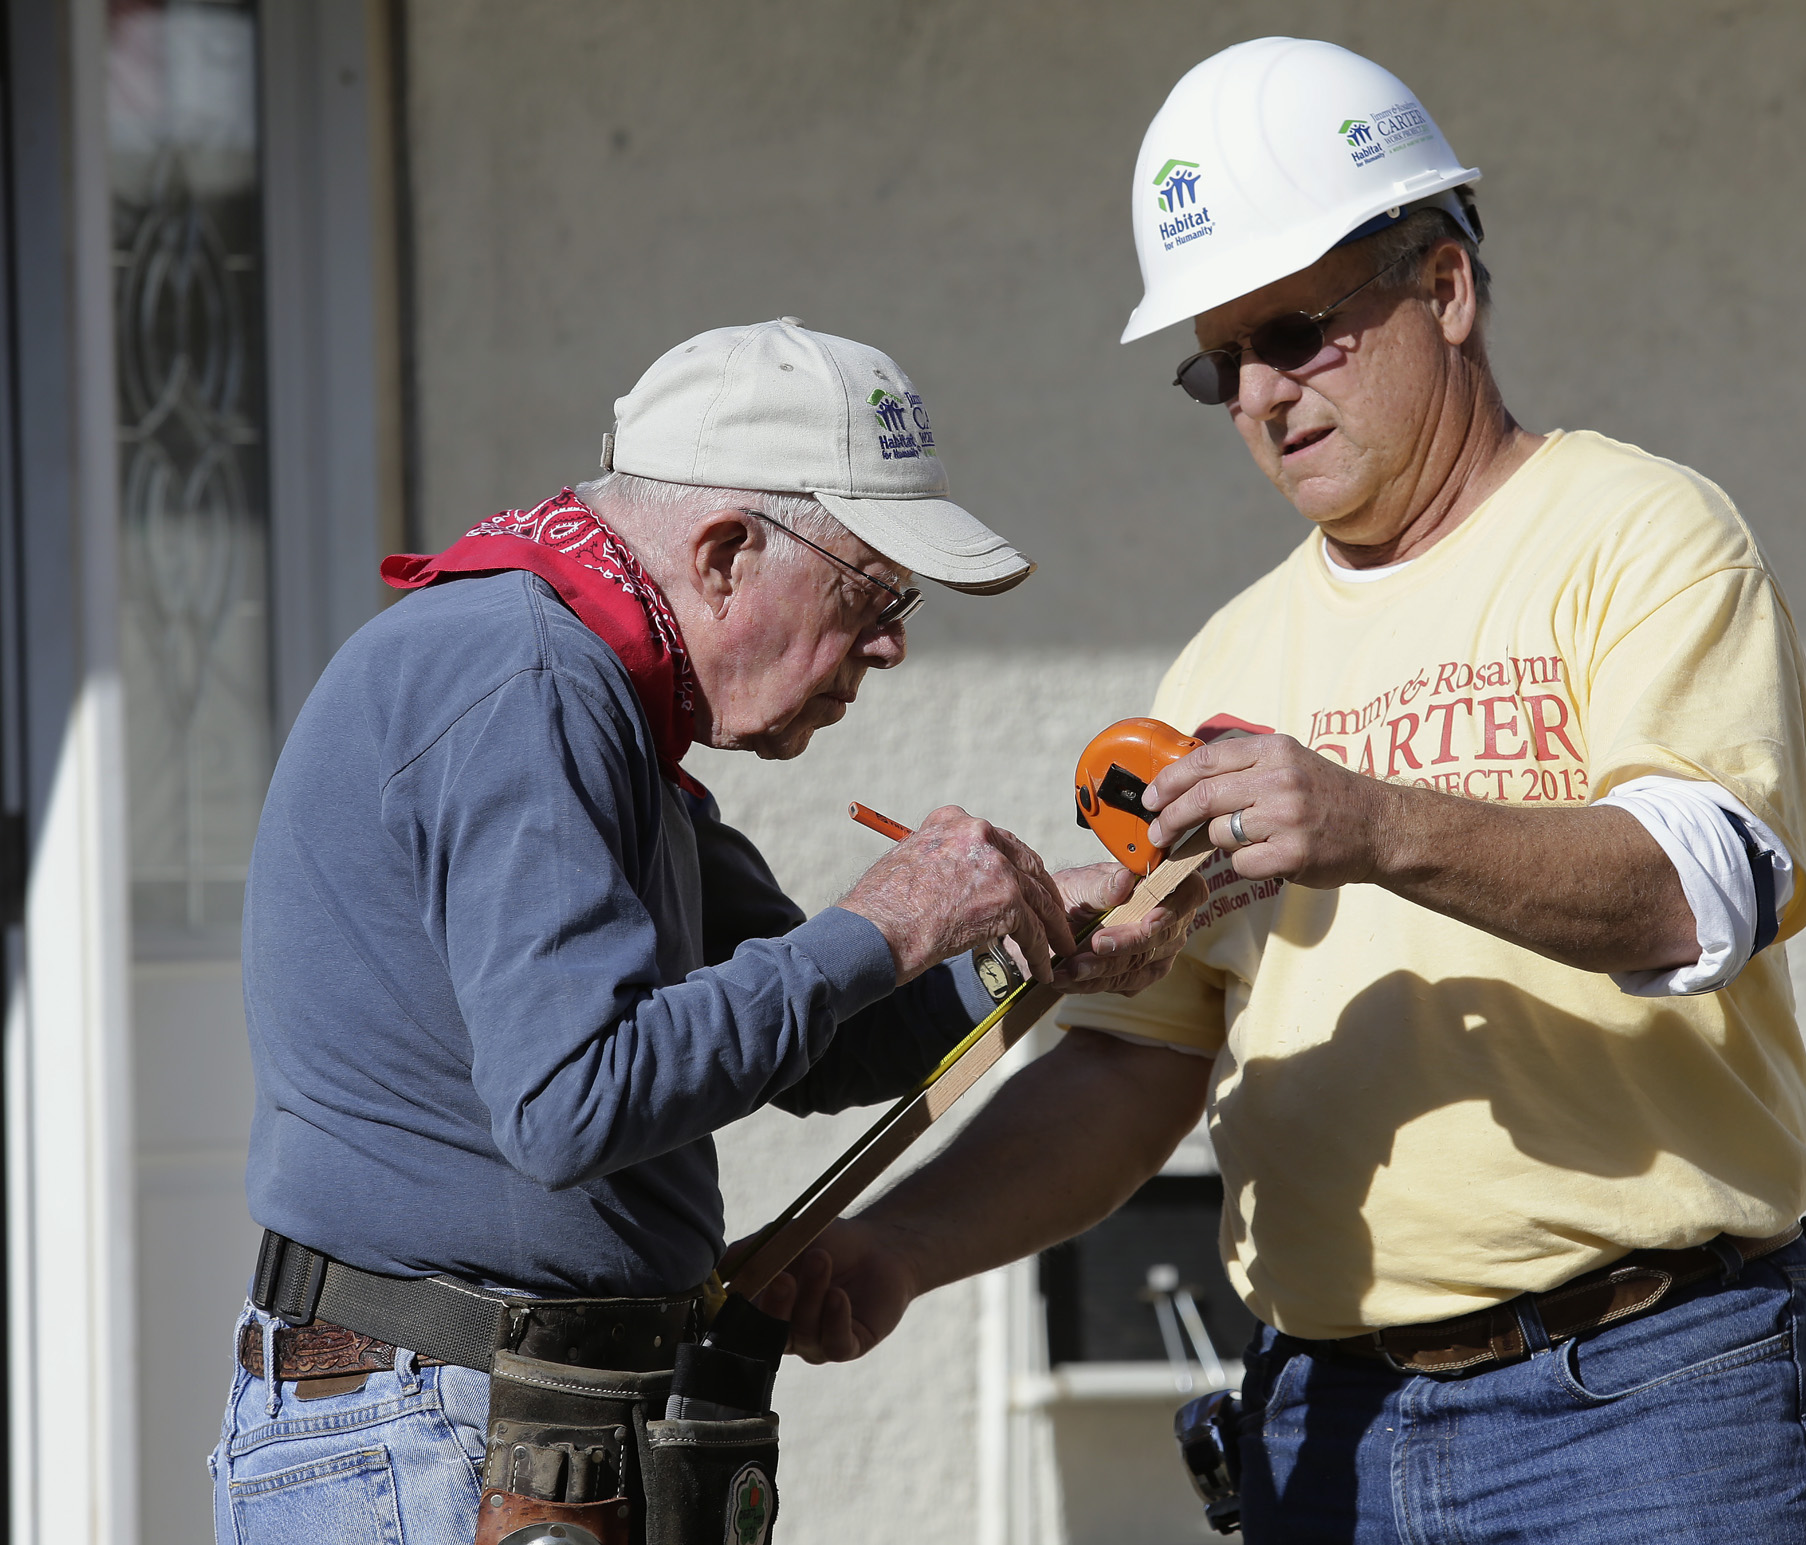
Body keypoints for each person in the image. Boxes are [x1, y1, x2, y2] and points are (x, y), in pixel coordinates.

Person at [771, 39, 1806, 1545]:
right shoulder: (1226, 658)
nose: (1265, 395)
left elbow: (1700, 889)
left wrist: (1375, 823)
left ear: (1448, 289)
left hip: (1641, 1397)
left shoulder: (1643, 536)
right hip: (1326, 1420)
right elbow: (1130, 1066)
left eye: (1297, 331)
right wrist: (895, 1247)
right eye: (1223, 363)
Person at [209, 318, 1202, 1545]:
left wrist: (1033, 938)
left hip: (479, 1424)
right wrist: (887, 921)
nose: (889, 646)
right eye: (872, 593)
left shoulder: (604, 702)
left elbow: (828, 1044)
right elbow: (577, 1100)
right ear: (727, 552)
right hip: (436, 1432)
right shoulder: (526, 682)